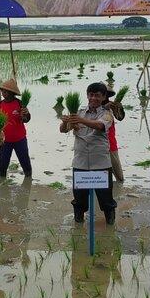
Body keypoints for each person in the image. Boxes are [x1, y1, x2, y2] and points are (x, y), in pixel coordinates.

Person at [60, 82, 117, 225]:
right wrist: (66, 122)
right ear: (87, 95)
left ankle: (110, 221)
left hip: (101, 163)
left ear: (103, 97)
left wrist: (80, 120)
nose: (93, 98)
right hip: (80, 162)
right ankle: (78, 222)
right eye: (91, 95)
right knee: (79, 198)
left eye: (97, 96)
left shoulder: (107, 114)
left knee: (106, 198)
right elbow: (63, 130)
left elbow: (99, 125)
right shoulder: (79, 112)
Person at [0, 78, 32, 178]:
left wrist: (25, 114)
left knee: (25, 161)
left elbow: (26, 119)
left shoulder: (20, 104)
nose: (3, 93)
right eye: (2, 91)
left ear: (11, 92)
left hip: (20, 139)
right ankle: (1, 184)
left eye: (5, 91)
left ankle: (28, 180)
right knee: (3, 164)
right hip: (5, 141)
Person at [103, 84, 126, 182]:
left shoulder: (112, 105)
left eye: (106, 95)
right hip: (98, 147)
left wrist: (119, 108)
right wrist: (104, 108)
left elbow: (120, 117)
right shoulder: (93, 108)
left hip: (111, 145)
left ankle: (117, 190)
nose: (105, 97)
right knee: (102, 176)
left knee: (119, 176)